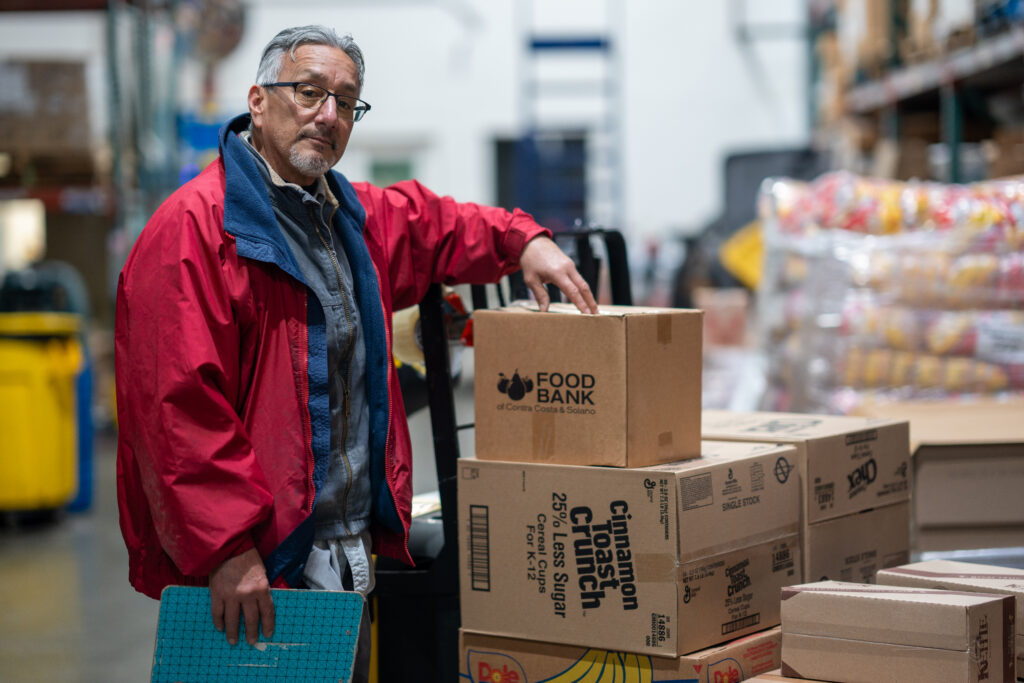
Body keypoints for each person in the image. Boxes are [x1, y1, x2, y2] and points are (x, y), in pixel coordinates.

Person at [114, 24, 597, 681]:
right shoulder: (195, 231)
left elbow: (435, 222)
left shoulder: (348, 217)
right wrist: (227, 551)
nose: (328, 115)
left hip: (345, 559)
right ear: (258, 100)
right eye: (309, 92)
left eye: (346, 102)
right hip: (260, 570)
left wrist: (523, 240)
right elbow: (175, 411)